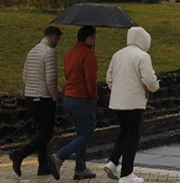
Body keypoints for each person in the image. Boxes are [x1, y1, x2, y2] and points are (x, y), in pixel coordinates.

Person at [103, 27, 160, 183]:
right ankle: (127, 174)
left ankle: (113, 162)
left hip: (117, 102)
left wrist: (117, 90)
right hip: (134, 102)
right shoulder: (143, 56)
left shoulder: (117, 55)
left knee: (125, 132)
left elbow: (109, 78)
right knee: (133, 136)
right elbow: (149, 80)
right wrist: (155, 87)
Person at [10, 26, 63, 177]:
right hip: (43, 98)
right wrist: (54, 97)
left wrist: (31, 89)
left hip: (30, 96)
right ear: (53, 37)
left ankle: (43, 165)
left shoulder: (32, 51)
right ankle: (20, 153)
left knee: (41, 131)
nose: (58, 42)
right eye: (58, 39)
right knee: (47, 132)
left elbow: (25, 76)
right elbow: (51, 79)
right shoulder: (49, 52)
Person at [47, 26, 99, 180]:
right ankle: (58, 157)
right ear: (88, 38)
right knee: (87, 134)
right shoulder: (87, 54)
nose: (94, 40)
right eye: (93, 37)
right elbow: (91, 79)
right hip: (81, 99)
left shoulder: (69, 53)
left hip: (68, 97)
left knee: (81, 133)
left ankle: (81, 168)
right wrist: (94, 97)